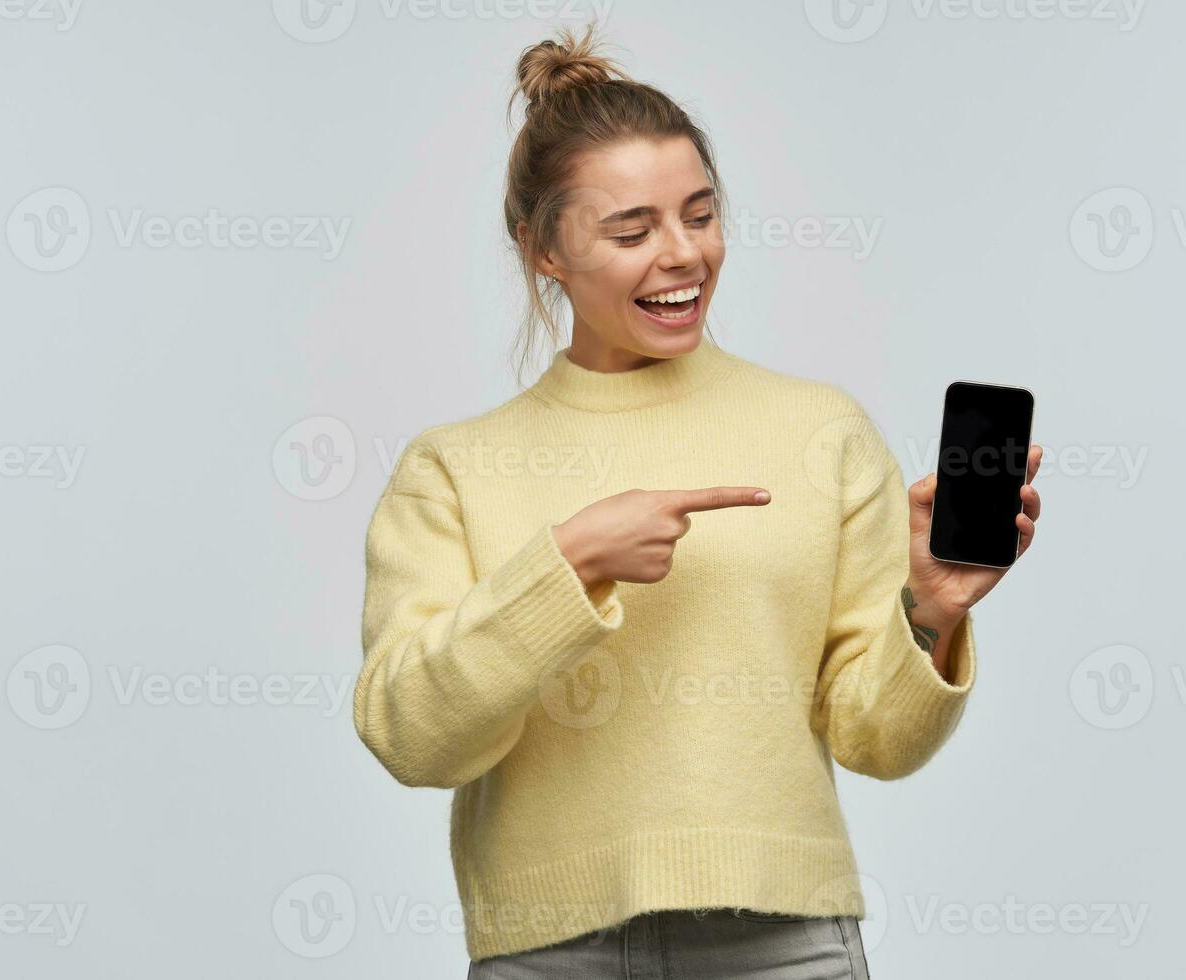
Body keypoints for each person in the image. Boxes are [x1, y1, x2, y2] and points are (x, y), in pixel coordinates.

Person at [351, 22, 1043, 978]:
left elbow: (875, 740)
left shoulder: (821, 431)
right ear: (541, 246)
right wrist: (566, 569)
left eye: (701, 215)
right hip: (548, 951)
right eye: (632, 231)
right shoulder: (454, 468)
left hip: (785, 943)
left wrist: (927, 616)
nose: (683, 255)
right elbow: (411, 738)